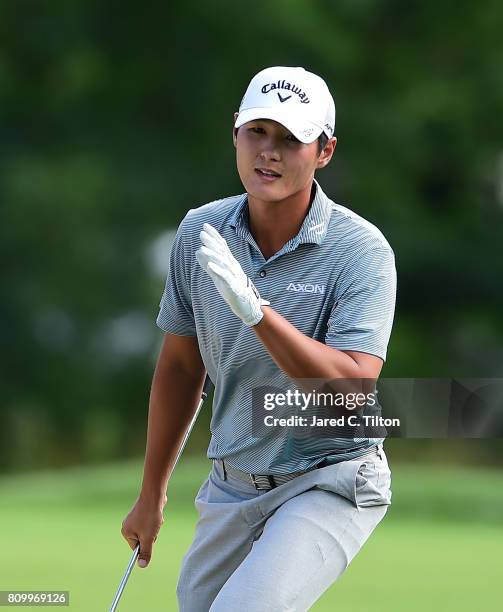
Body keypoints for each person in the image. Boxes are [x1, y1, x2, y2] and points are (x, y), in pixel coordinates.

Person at [121, 66, 397, 611]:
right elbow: (180, 368)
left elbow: (350, 391)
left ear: (324, 151)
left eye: (291, 139)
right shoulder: (202, 231)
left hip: (330, 478)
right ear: (235, 133)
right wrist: (151, 493)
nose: (268, 152)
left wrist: (257, 312)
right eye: (257, 132)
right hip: (232, 482)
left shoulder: (362, 251)